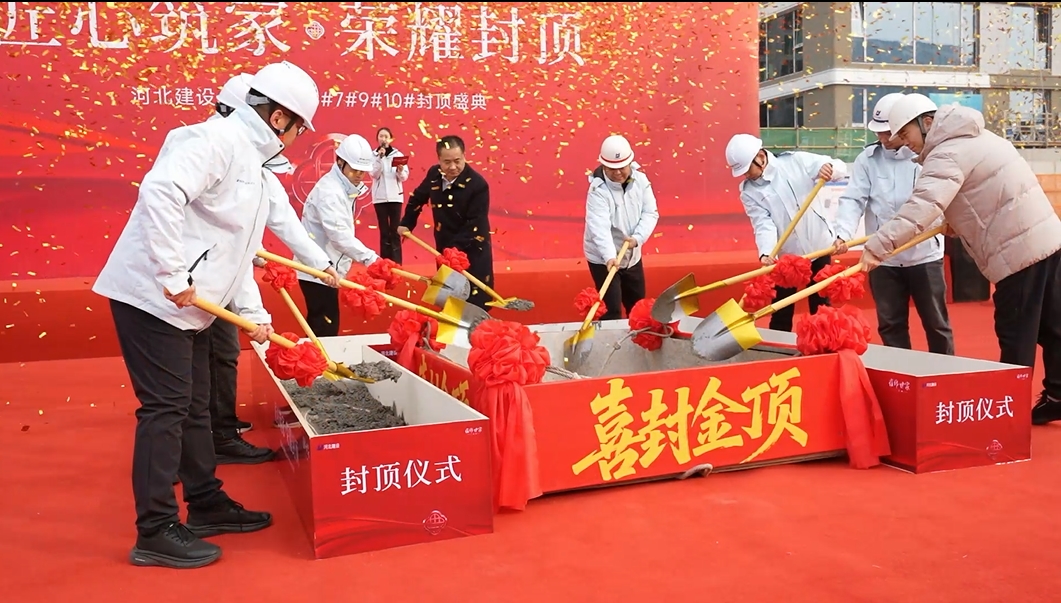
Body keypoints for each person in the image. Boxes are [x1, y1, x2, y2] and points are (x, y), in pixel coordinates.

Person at [91, 60, 320, 569]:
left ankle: (206, 502)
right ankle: (154, 529)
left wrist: (252, 313)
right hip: (154, 298)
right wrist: (173, 274)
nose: (299, 138)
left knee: (195, 406)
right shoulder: (218, 140)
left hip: (192, 306)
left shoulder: (254, 164)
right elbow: (161, 191)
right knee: (166, 410)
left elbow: (236, 252)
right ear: (279, 118)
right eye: (300, 128)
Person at [861, 93, 1061, 424]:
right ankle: (1057, 395)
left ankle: (1005, 415)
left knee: (1015, 331)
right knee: (1052, 326)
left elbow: (922, 206)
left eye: (906, 134)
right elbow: (981, 194)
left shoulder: (947, 152)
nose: (905, 143)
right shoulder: (975, 137)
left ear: (927, 123)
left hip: (1019, 251)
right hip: (1047, 240)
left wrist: (876, 247)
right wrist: (955, 222)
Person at [207, 72, 339, 465]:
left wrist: (320, 264)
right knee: (204, 365)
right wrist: (256, 315)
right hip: (194, 285)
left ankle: (215, 429)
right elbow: (228, 245)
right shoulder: (219, 152)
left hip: (211, 280)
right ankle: (211, 438)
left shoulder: (252, 159)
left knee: (219, 354)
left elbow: (281, 219)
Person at [833, 93, 955, 355]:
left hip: (925, 255)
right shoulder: (867, 159)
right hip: (883, 259)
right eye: (878, 132)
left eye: (889, 132)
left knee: (936, 323)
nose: (883, 138)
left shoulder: (929, 156)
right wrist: (843, 233)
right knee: (890, 325)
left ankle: (945, 370)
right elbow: (853, 199)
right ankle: (900, 371)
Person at [725, 133, 848, 332]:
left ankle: (823, 343)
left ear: (760, 157)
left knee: (821, 305)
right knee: (781, 308)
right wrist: (766, 252)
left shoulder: (795, 162)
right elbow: (763, 223)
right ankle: (778, 345)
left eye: (747, 170)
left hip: (820, 247)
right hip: (788, 259)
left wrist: (830, 169)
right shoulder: (749, 192)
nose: (746, 175)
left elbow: (839, 166)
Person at [297, 134, 380, 337]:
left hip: (327, 268)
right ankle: (316, 358)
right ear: (340, 161)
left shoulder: (342, 186)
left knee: (325, 326)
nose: (359, 175)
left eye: (362, 171)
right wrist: (372, 259)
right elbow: (339, 236)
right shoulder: (330, 192)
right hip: (317, 269)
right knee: (324, 329)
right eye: (354, 169)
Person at [397, 135, 493, 310]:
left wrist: (453, 250)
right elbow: (417, 198)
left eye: (457, 161)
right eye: (447, 162)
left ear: (464, 156)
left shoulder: (478, 185)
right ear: (439, 160)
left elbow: (474, 224)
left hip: (472, 250)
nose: (453, 167)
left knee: (474, 302)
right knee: (449, 299)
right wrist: (407, 223)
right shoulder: (434, 174)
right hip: (444, 247)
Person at [583, 135, 659, 319]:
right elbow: (599, 228)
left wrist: (637, 238)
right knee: (611, 311)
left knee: (638, 306)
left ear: (630, 163)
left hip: (632, 253)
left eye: (622, 167)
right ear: (603, 166)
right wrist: (609, 256)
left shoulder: (641, 181)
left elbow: (650, 213)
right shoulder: (597, 190)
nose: (617, 173)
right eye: (611, 168)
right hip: (604, 259)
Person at [371, 127, 410, 263]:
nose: (383, 139)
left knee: (395, 230)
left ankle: (397, 262)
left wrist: (400, 170)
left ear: (390, 139)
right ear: (377, 139)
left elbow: (404, 177)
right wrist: (380, 159)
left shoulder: (398, 154)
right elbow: (373, 174)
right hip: (379, 198)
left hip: (395, 197)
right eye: (381, 136)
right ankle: (385, 262)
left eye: (386, 136)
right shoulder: (373, 155)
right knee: (384, 231)